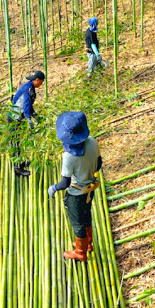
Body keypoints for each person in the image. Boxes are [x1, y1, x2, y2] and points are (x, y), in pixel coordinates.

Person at [47, 111, 102, 261]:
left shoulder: (69, 157)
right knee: (87, 214)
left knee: (77, 222)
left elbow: (65, 183)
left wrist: (53, 188)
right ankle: (87, 244)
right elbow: (99, 164)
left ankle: (80, 252)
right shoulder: (92, 141)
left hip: (76, 193)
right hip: (90, 189)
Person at [7, 70, 45, 177]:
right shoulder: (27, 89)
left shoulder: (30, 87)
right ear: (36, 80)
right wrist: (29, 119)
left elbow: (30, 107)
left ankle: (19, 162)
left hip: (19, 117)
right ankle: (17, 168)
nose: (41, 84)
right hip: (14, 118)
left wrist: (37, 117)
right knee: (15, 141)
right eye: (41, 82)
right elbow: (26, 105)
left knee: (19, 141)